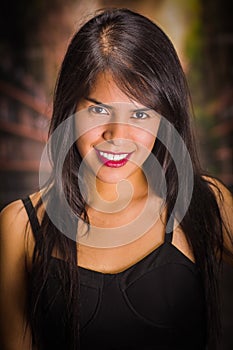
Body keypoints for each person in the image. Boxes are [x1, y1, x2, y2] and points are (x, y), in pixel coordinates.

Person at [0, 7, 232, 350]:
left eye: (140, 113)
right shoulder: (19, 228)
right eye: (97, 109)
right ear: (70, 110)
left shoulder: (206, 203)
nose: (117, 135)